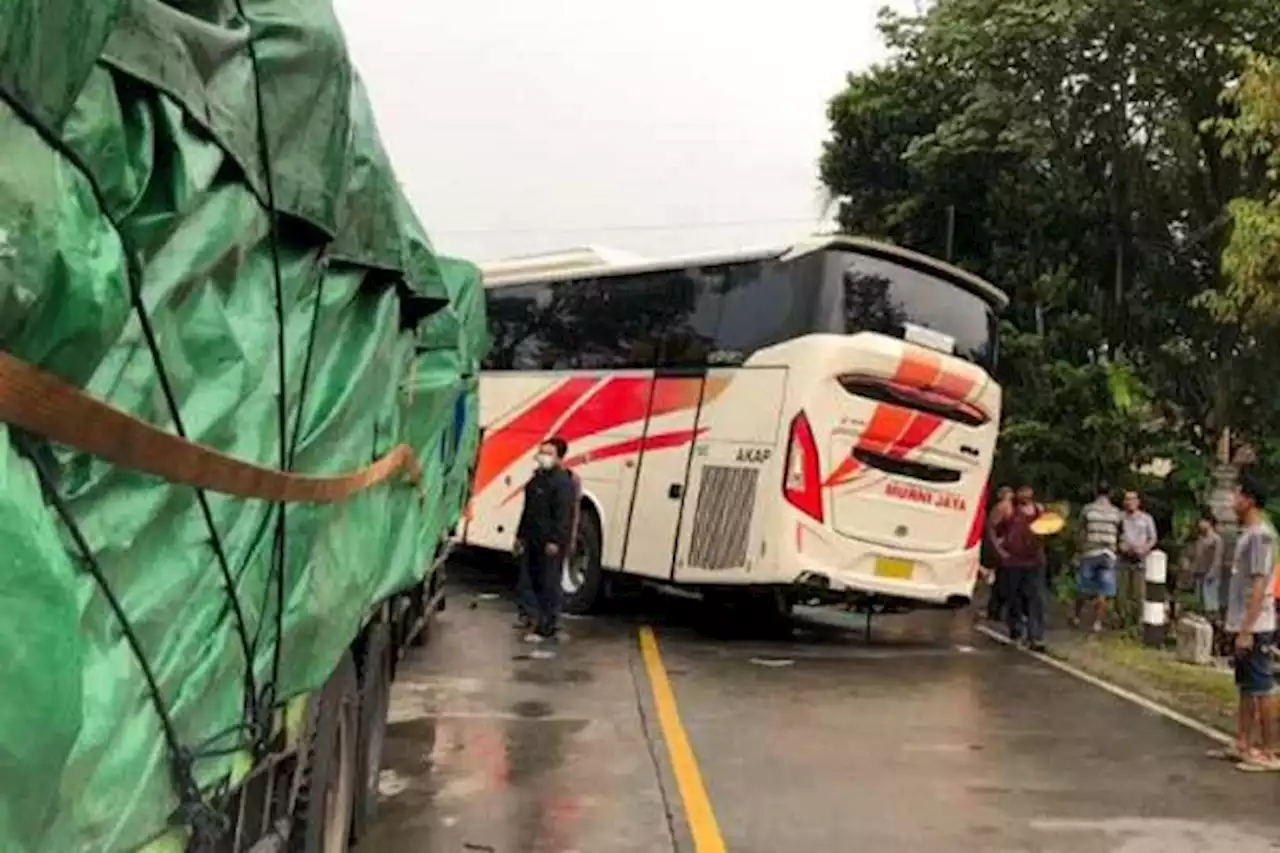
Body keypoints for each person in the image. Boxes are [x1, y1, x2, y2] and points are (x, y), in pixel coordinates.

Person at [1206, 474, 1278, 771]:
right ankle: (1243, 742)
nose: (1232, 501)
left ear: (1248, 500)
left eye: (1236, 495)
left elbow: (1261, 585)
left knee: (1263, 687)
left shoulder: (1261, 535)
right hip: (1242, 622)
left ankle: (1272, 751)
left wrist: (1247, 629)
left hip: (1257, 624)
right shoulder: (1246, 533)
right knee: (1246, 687)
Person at [514, 437, 577, 644]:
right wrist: (520, 536)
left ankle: (547, 627)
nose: (543, 456)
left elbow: (563, 516)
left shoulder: (562, 483)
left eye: (548, 453)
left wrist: (555, 541)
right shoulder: (536, 480)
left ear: (559, 457)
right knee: (530, 581)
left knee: (549, 584)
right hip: (532, 540)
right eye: (541, 452)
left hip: (549, 544)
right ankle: (532, 618)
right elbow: (528, 511)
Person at [995, 484, 1048, 651]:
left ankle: (1035, 636)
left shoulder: (1039, 510)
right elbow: (992, 528)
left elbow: (1047, 529)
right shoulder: (1007, 509)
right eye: (1022, 490)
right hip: (1013, 562)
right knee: (1014, 598)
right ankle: (1016, 630)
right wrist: (1000, 551)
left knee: (1036, 598)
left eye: (1028, 490)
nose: (1025, 494)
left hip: (1034, 561)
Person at [1072, 482, 1122, 632]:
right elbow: (1119, 531)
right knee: (1103, 590)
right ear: (1110, 493)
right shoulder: (1115, 512)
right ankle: (1097, 623)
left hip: (1090, 552)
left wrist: (1078, 551)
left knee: (1083, 587)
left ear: (1096, 492)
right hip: (1108, 553)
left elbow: (1081, 531)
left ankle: (1076, 616)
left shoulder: (1088, 509)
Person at [1116, 490, 1158, 624]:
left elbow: (1153, 538)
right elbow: (1115, 535)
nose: (1129, 502)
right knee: (1121, 592)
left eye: (1132, 499)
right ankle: (1122, 619)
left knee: (1138, 593)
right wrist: (1120, 545)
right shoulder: (1119, 517)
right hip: (1123, 559)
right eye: (1127, 499)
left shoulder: (1146, 518)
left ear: (1138, 502)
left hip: (1140, 560)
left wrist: (1144, 549)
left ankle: (1138, 620)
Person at [984, 486, 1015, 622]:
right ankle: (996, 610)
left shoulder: (1011, 507)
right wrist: (997, 545)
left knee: (1004, 580)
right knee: (1002, 580)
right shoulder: (1001, 508)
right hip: (1002, 548)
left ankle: (997, 609)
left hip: (1008, 547)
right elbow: (991, 527)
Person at [1191, 508, 1225, 619]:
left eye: (1202, 521)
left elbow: (1217, 558)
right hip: (1199, 573)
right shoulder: (1200, 539)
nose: (1200, 524)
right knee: (1200, 602)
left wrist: (1212, 572)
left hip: (1210, 575)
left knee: (1210, 603)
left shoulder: (1216, 539)